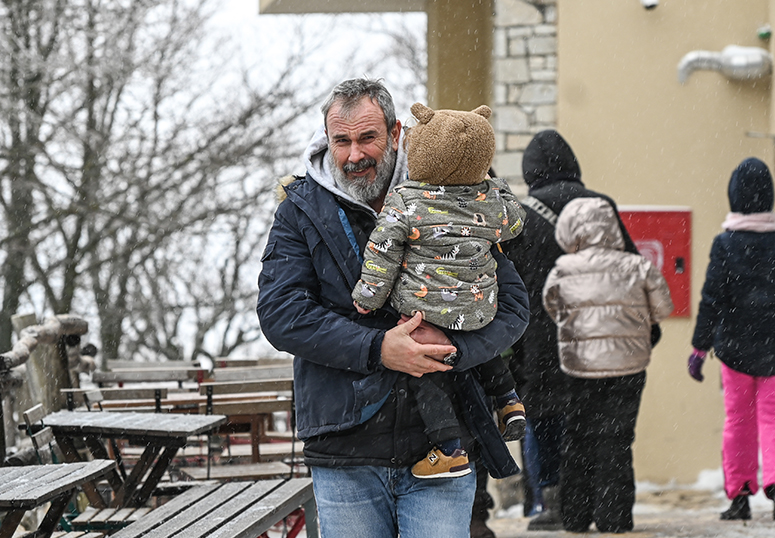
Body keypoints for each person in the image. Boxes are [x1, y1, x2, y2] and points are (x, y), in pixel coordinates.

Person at [256, 78, 529, 538]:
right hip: (345, 446)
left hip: (445, 442)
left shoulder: (458, 193)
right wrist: (377, 348)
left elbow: (514, 307)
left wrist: (455, 344)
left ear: (397, 132)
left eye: (367, 138)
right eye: (340, 141)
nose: (353, 155)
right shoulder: (299, 209)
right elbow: (282, 313)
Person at [351, 102, 527, 479]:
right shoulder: (490, 201)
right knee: (479, 342)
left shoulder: (406, 199)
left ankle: (449, 449)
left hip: (424, 310)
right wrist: (493, 186)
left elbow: (381, 253)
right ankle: (509, 400)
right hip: (479, 305)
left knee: (424, 374)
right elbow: (515, 223)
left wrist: (368, 297)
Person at [501, 129, 660, 531]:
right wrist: (645, 333)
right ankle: (609, 508)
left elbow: (514, 286)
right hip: (608, 343)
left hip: (545, 342)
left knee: (553, 425)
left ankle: (554, 503)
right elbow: (632, 270)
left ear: (531, 172)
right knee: (607, 432)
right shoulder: (601, 206)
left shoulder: (525, 215)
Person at [688, 157, 775, 522]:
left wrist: (699, 346)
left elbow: (712, 299)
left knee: (738, 420)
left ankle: (740, 495)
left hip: (735, 349)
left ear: (734, 197)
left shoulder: (724, 244)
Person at [542, 196, 674, 533]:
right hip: (628, 367)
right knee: (616, 439)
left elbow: (552, 308)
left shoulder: (563, 269)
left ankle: (575, 514)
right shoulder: (637, 266)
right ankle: (614, 518)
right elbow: (663, 309)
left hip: (579, 368)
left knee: (578, 436)